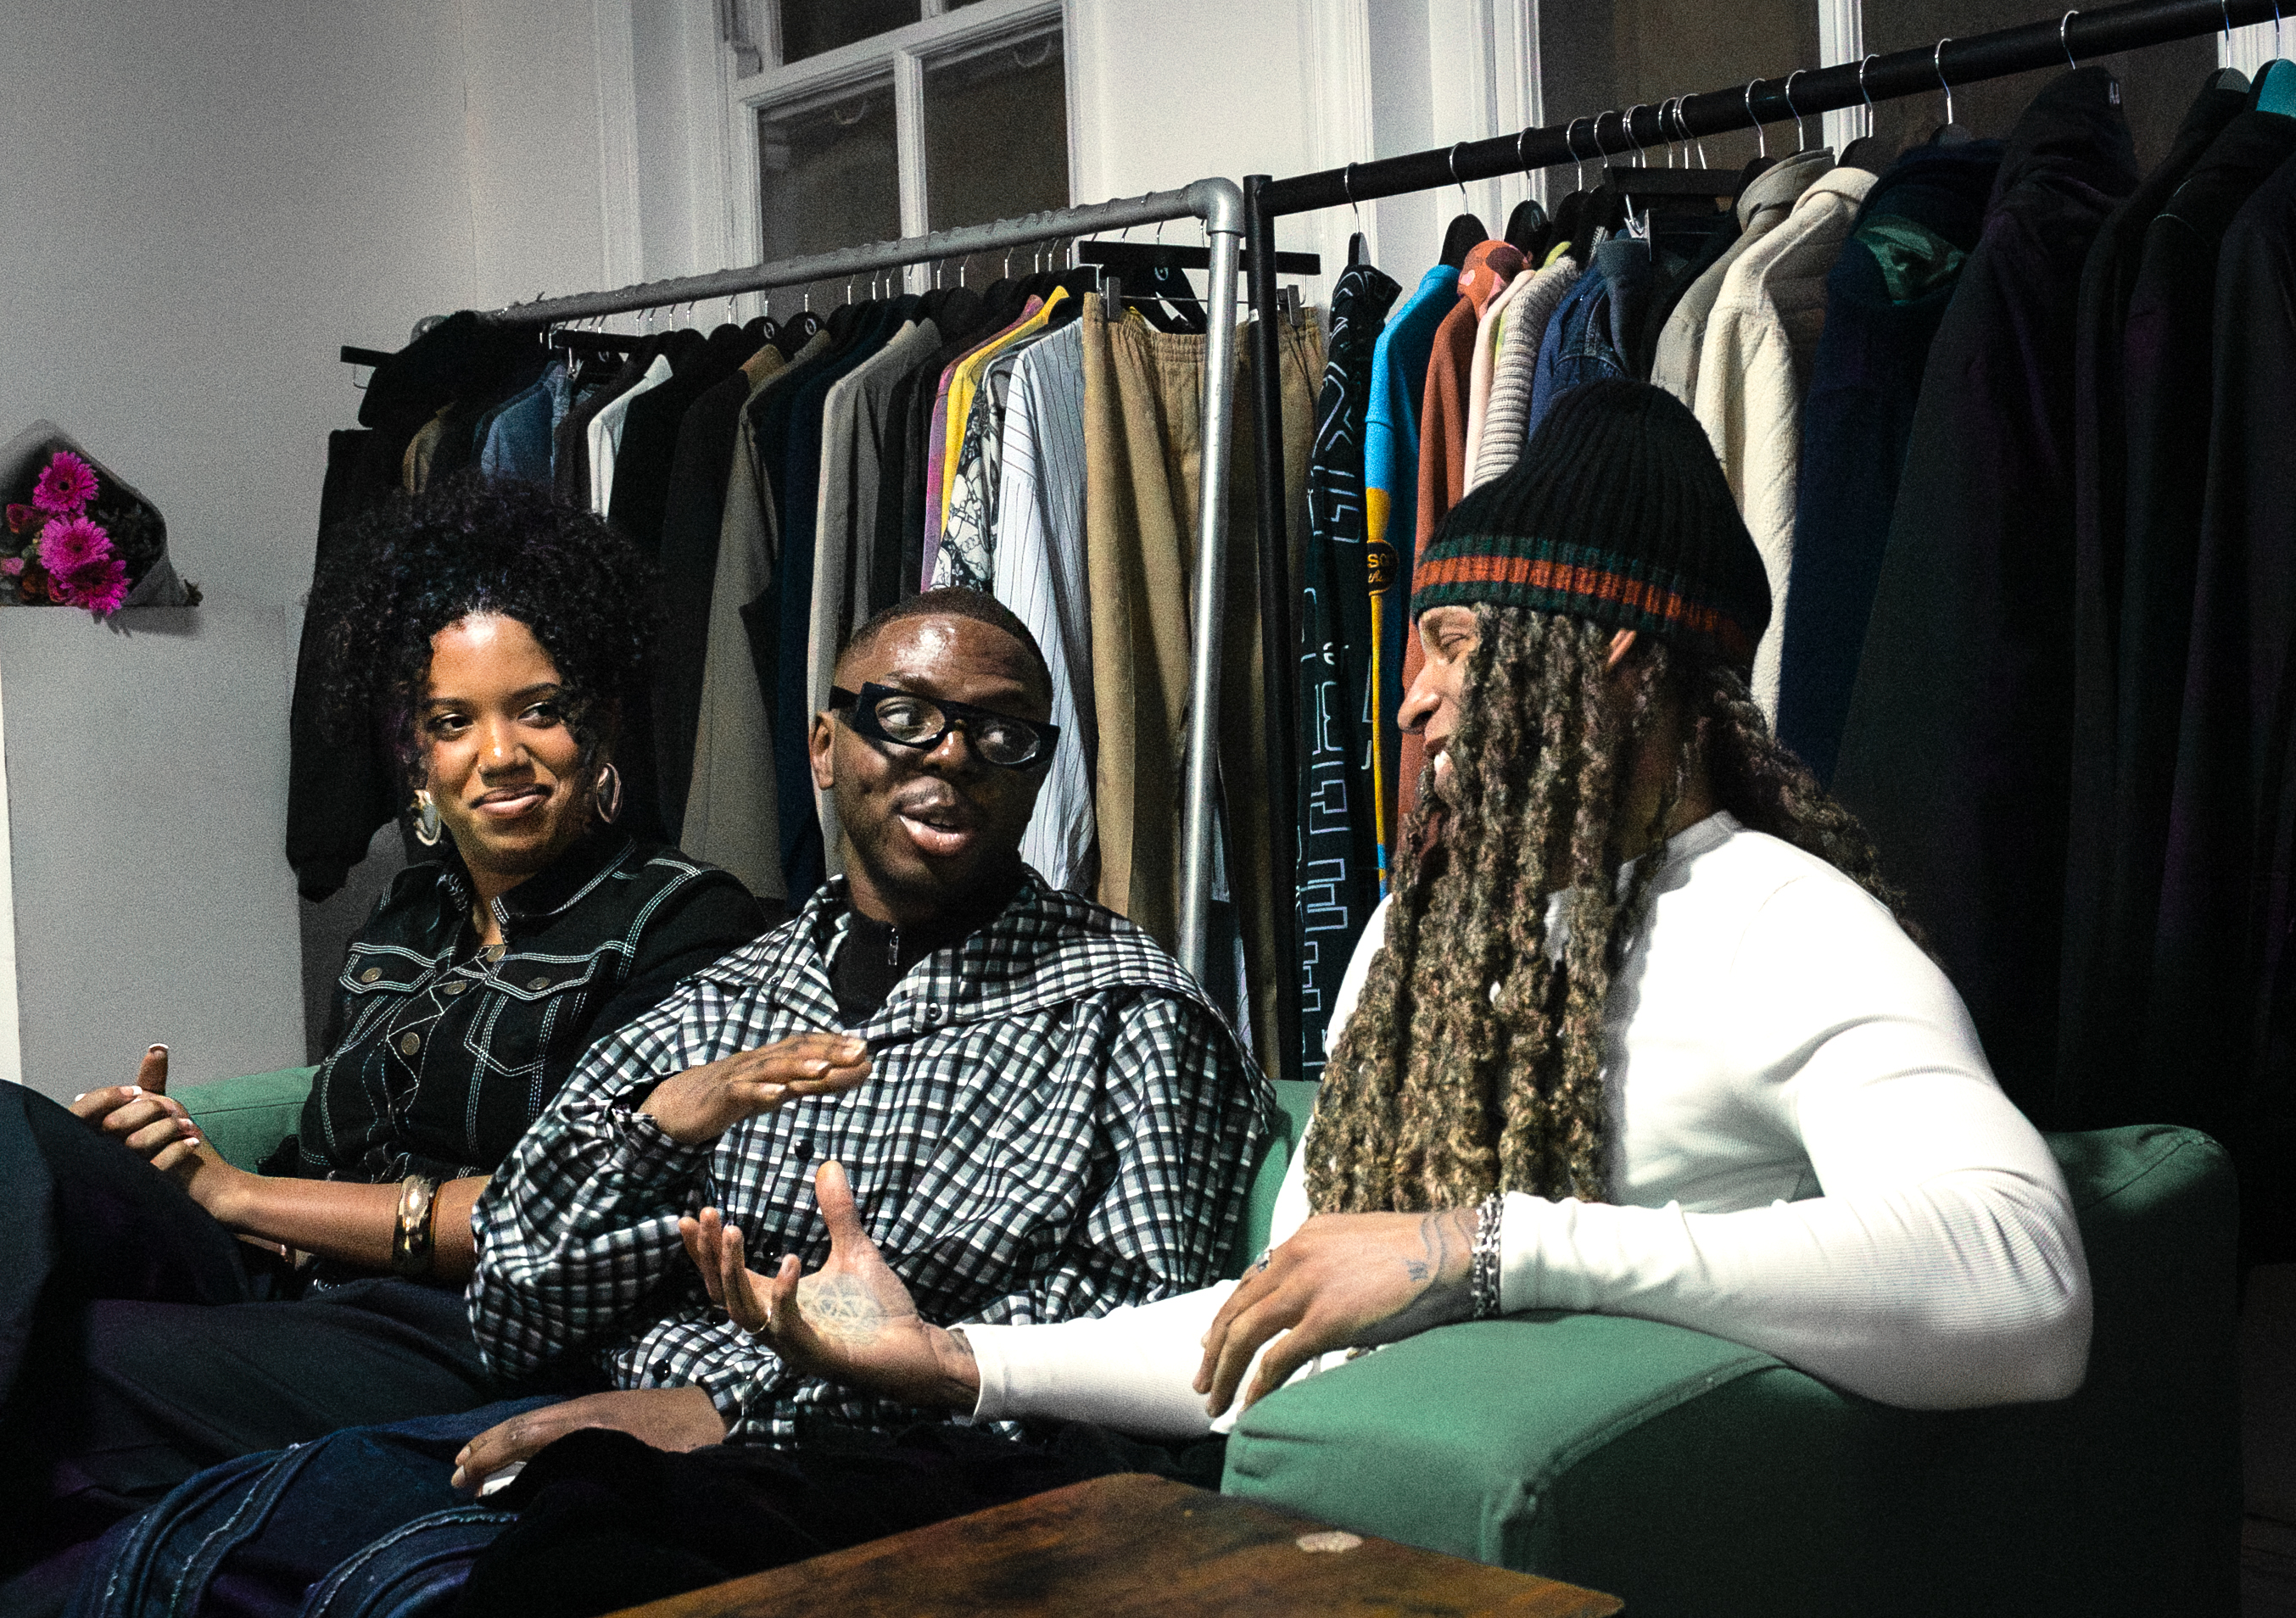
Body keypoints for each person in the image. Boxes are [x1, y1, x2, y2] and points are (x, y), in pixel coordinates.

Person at [442, 379, 2090, 1613]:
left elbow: (2026, 1290)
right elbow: (1264, 1327)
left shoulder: (1782, 924)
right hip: (1263, 1502)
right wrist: (956, 1363)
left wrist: (1488, 1246)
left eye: (1453, 642)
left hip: (1466, 1537)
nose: (1411, 695)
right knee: (591, 1532)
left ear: (1593, 656)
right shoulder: (1422, 938)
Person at [0, 477, 768, 1582]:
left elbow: (578, 1216)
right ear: (418, 755)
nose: (498, 754)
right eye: (455, 722)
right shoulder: (408, 916)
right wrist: (174, 1161)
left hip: (478, 1335)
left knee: (74, 1363)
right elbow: (330, 1145)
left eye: (537, 710)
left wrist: (240, 1196)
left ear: (596, 721)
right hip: (298, 1281)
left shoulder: (683, 924)